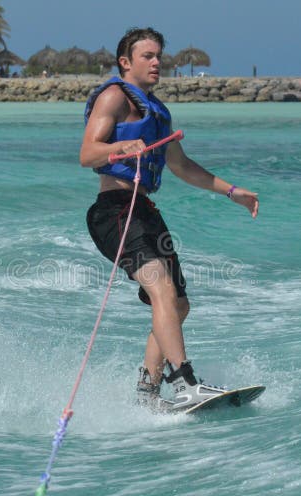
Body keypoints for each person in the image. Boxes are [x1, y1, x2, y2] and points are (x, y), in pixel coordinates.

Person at [80, 27, 259, 412]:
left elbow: (182, 166)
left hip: (144, 212)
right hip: (115, 211)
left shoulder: (158, 112)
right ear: (125, 62)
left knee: (178, 304)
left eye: (159, 55)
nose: (157, 62)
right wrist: (121, 146)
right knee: (161, 288)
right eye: (147, 56)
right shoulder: (113, 97)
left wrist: (232, 191)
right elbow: (87, 153)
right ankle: (185, 384)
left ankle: (147, 392)